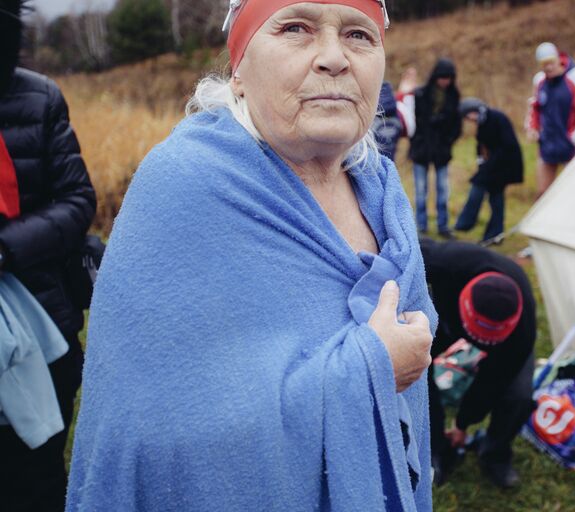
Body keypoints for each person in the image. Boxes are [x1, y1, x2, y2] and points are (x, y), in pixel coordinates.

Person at [66, 2, 436, 511]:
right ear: (238, 70)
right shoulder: (183, 186)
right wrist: (370, 370)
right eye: (296, 28)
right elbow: (153, 440)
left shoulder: (382, 187)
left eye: (359, 35)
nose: (334, 57)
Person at [0, 1, 97, 510]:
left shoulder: (38, 98)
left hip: (41, 327)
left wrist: (7, 248)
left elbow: (79, 200)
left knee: (34, 474)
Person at [420, 238, 536, 488]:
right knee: (417, 366)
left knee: (518, 395)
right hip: (446, 320)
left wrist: (463, 423)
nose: (476, 344)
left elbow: (490, 384)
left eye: (485, 340)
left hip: (504, 344)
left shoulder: (521, 331)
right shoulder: (446, 261)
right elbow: (397, 252)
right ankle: (435, 448)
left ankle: (495, 454)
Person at [525, 42, 575, 198]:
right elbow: (535, 106)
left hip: (573, 148)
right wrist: (532, 127)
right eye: (543, 64)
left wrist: (571, 138)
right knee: (542, 195)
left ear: (558, 59)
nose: (548, 68)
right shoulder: (540, 81)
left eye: (551, 63)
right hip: (547, 146)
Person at [454, 98, 523, 242]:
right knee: (495, 198)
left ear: (473, 111)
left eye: (468, 116)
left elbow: (507, 145)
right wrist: (481, 161)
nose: (468, 120)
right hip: (493, 165)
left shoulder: (496, 118)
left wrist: (489, 164)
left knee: (482, 190)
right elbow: (482, 144)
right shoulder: (484, 121)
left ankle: (466, 224)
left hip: (503, 165)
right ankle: (493, 234)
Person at [408, 57, 462, 238]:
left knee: (442, 190)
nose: (445, 81)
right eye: (442, 77)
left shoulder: (454, 96)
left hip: (441, 150)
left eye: (449, 77)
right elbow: (413, 120)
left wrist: (448, 139)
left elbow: (457, 124)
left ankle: (443, 226)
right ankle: (421, 227)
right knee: (421, 191)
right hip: (421, 148)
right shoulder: (421, 94)